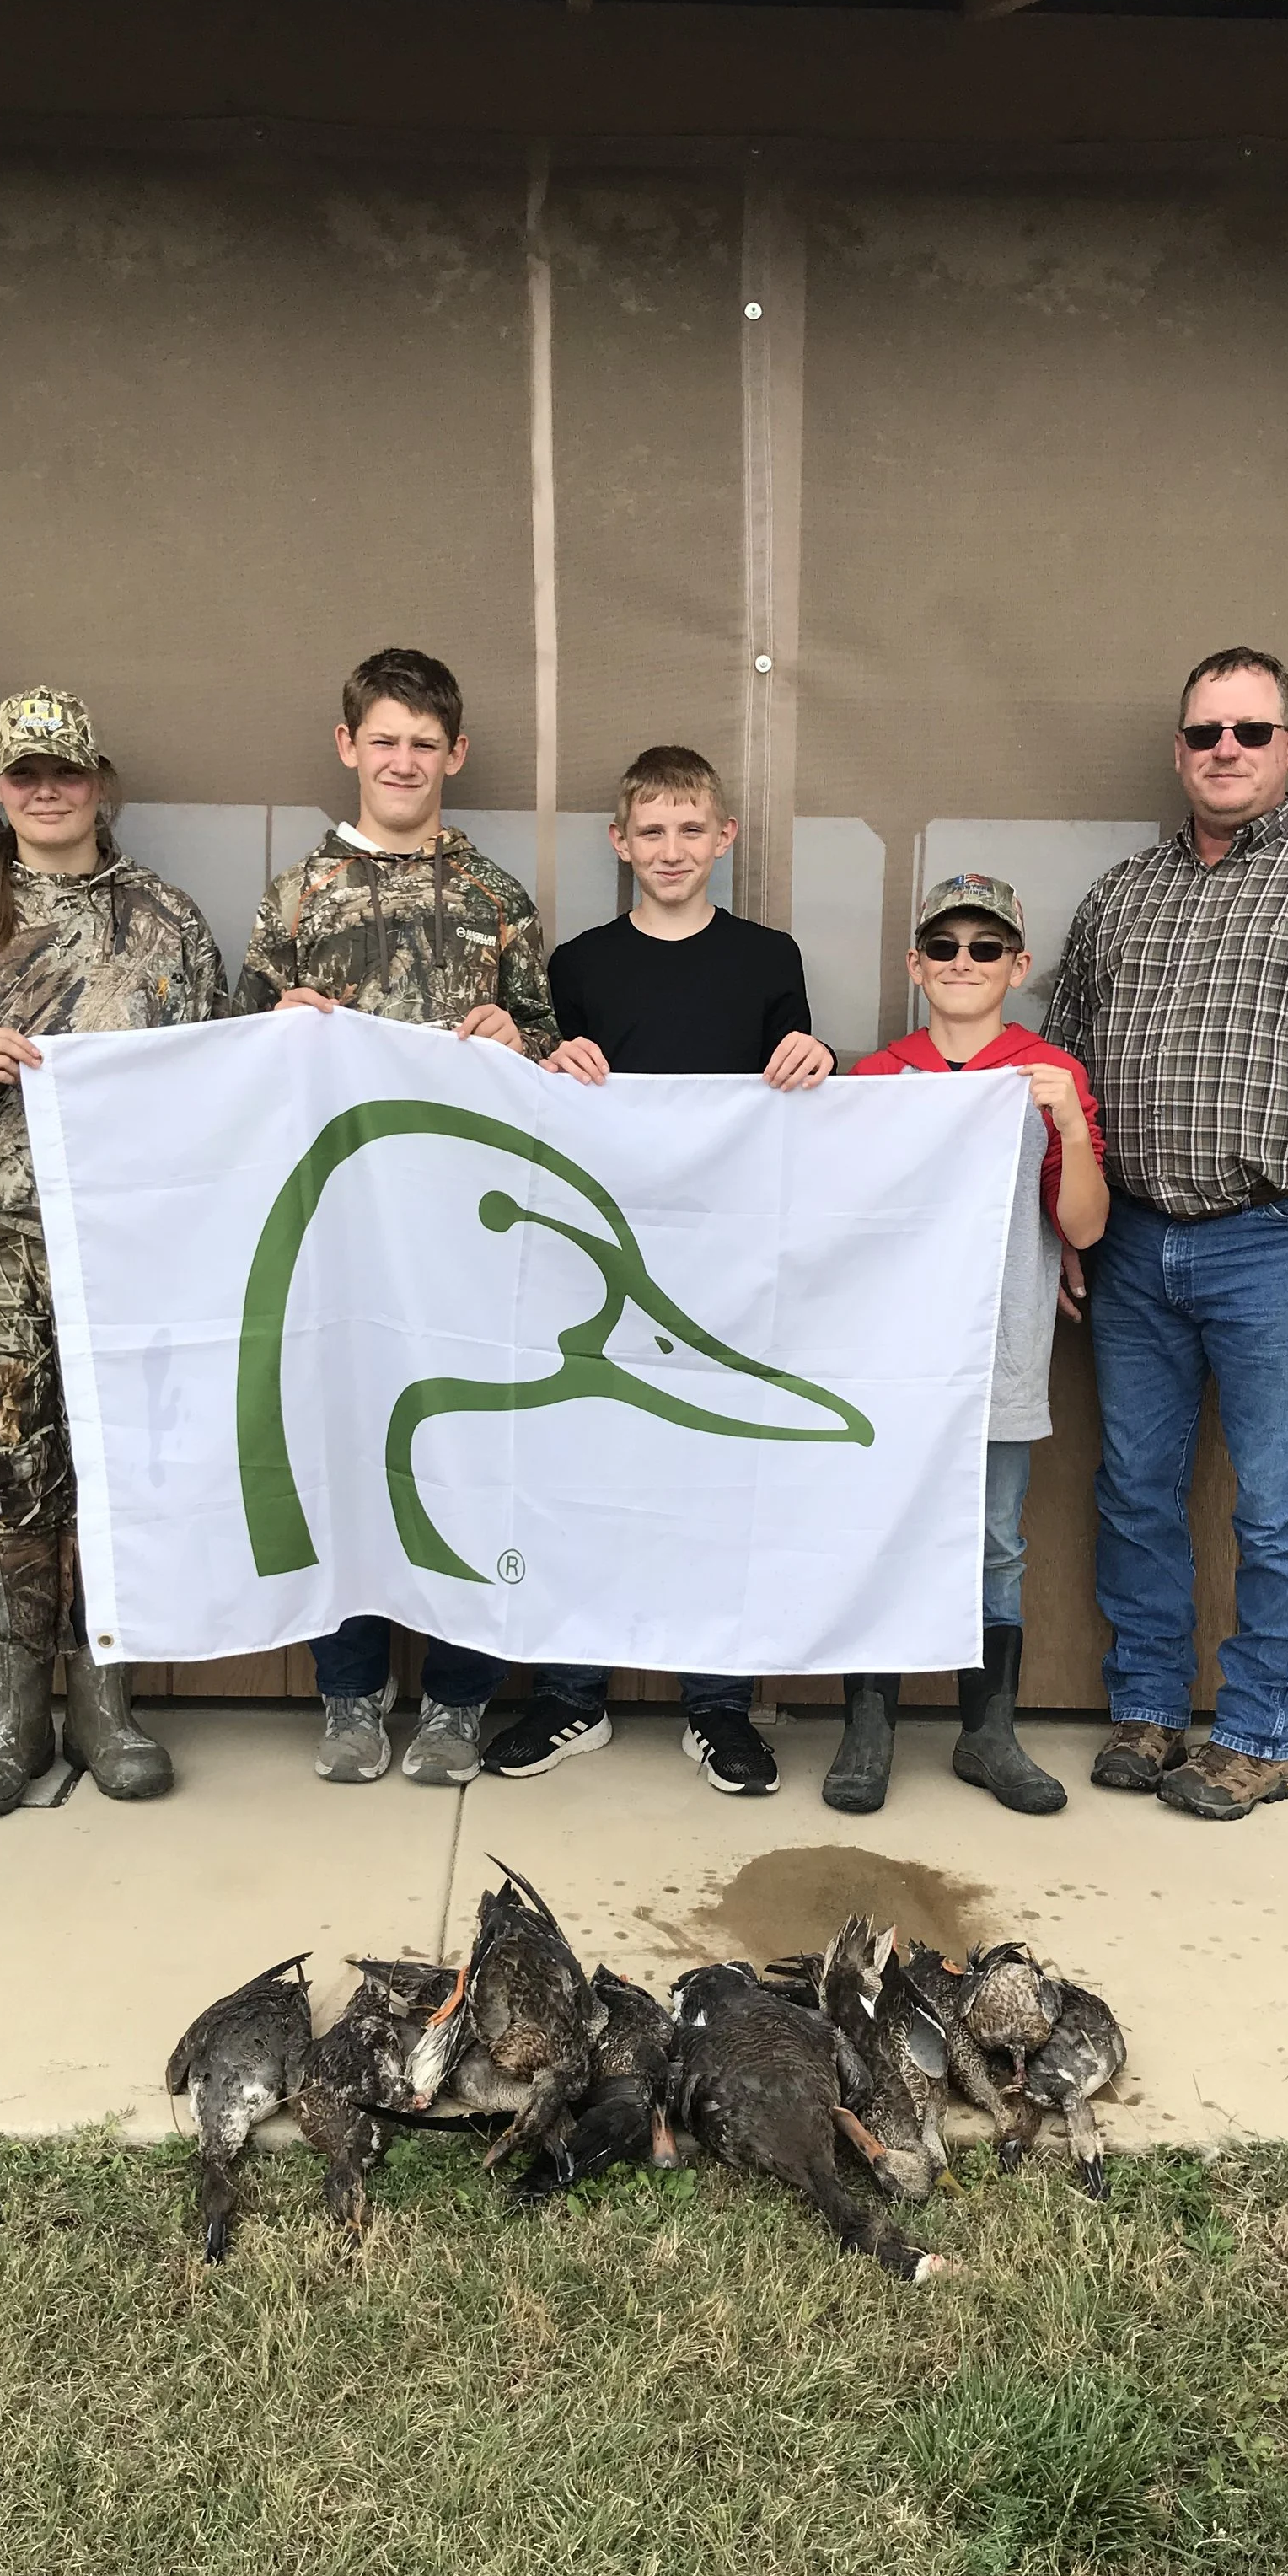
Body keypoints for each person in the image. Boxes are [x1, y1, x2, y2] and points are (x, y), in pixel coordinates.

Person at [1046, 647, 1288, 1821]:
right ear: (1178, 749)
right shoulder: (1122, 893)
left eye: (1251, 732)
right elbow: (1062, 1063)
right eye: (1207, 732)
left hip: (1284, 1239)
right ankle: (1148, 1708)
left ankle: (1259, 1732)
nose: (1228, 749)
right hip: (1129, 1240)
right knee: (1134, 1488)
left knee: (1280, 1498)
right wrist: (1063, 1222)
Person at [0, 688, 225, 1818]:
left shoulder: (164, 921)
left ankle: (106, 1702)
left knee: (119, 1472)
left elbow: (214, 1077)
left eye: (65, 768)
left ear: (99, 780)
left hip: (121, 1245)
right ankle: (14, 1709)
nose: (48, 788)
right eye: (24, 772)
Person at [234, 647, 560, 1788]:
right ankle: (352, 1692)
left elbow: (544, 1048)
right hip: (337, 1232)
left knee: (466, 1448)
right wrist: (281, 1022)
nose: (404, 760)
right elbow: (236, 1066)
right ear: (348, 747)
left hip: (466, 1231)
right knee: (343, 1444)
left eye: (425, 742)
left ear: (455, 754)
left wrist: (517, 1040)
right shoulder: (295, 900)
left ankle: (460, 1700)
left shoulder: (496, 899)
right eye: (384, 739)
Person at [480, 743, 832, 1798]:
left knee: (718, 1473)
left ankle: (717, 1705)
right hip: (598, 1264)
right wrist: (555, 1063)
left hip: (723, 1264)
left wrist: (812, 1060)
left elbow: (796, 1093)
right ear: (619, 843)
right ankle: (571, 1694)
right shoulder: (579, 964)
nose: (671, 850)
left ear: (723, 839)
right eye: (652, 831)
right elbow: (544, 1100)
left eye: (692, 830)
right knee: (581, 1467)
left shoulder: (770, 954)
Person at [828, 875, 1107, 1817]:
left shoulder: (1046, 1075)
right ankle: (868, 1725)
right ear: (915, 964)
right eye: (942, 947)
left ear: (1016, 967)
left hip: (1000, 1352)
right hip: (889, 1361)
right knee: (876, 1530)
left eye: (984, 949)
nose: (961, 963)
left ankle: (987, 1734)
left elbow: (1085, 1228)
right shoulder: (876, 1080)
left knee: (993, 1543)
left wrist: (1068, 1121)